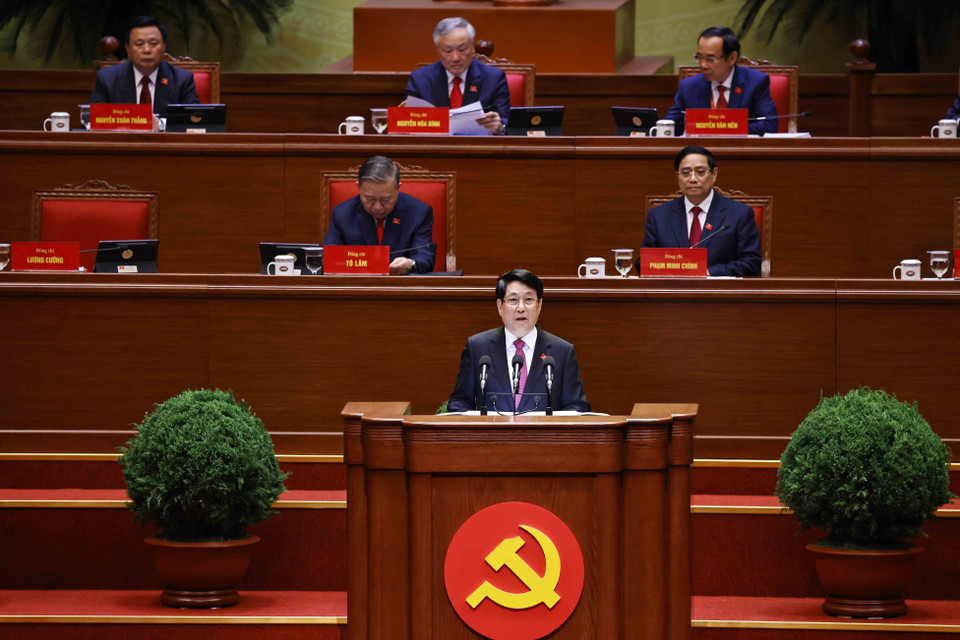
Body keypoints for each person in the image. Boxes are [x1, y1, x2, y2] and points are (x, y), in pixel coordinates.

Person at [447, 269, 590, 413]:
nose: (521, 308)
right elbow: (460, 403)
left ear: (539, 305)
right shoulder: (477, 348)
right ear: (500, 306)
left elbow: (577, 407)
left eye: (529, 300)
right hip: (492, 435)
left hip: (543, 436)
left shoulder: (562, 352)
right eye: (513, 300)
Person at [637, 146, 761, 277]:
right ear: (677, 176)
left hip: (719, 294)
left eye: (700, 172)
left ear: (714, 174)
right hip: (673, 293)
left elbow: (752, 263)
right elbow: (643, 264)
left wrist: (708, 272)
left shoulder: (739, 214)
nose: (693, 179)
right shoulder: (658, 215)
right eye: (686, 173)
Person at [323, 156, 436, 275]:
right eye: (369, 199)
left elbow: (425, 256)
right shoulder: (342, 213)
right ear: (358, 187)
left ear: (398, 188)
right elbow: (329, 257)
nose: (377, 207)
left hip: (400, 287)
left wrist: (409, 263)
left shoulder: (419, 212)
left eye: (386, 199)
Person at [405, 17, 511, 134]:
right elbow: (411, 127)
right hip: (434, 149)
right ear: (438, 51)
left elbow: (506, 124)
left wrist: (499, 127)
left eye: (462, 49)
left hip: (479, 149)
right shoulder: (420, 79)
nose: (455, 58)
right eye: (448, 51)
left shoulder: (493, 78)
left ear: (472, 48)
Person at [666, 26, 778, 136]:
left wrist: (720, 129)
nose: (703, 65)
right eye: (699, 57)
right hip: (701, 151)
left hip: (740, 151)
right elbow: (671, 125)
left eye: (710, 59)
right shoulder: (689, 86)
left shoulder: (755, 82)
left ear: (732, 58)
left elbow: (769, 125)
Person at [90, 16, 200, 115]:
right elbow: (92, 121)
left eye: (153, 44)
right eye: (139, 44)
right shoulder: (107, 79)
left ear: (164, 47)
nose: (147, 50)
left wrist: (160, 125)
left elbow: (193, 122)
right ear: (128, 49)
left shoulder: (182, 80)